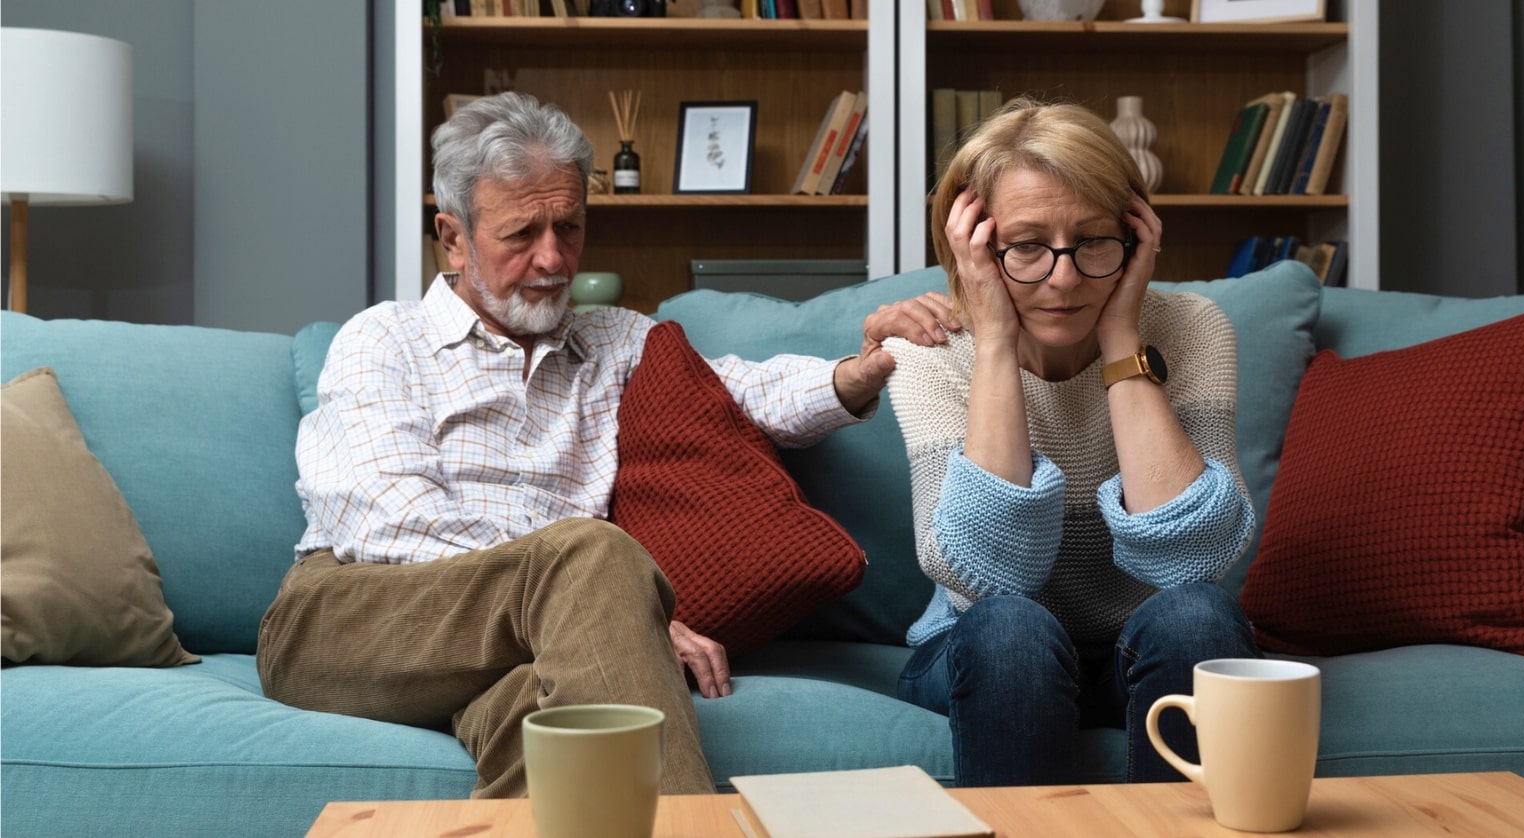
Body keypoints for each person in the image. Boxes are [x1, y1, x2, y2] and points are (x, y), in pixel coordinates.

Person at [256, 91, 895, 799]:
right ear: (455, 237)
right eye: (522, 234)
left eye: (570, 226)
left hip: (529, 636)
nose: (553, 257)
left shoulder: (612, 341)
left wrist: (855, 375)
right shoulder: (385, 339)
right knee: (593, 552)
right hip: (352, 614)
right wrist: (617, 607)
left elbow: (743, 393)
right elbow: (390, 519)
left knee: (556, 723)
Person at [868, 97, 1261, 787]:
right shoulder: (930, 352)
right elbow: (986, 574)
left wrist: (1120, 340)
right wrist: (993, 343)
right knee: (1012, 627)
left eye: (1093, 240)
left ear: (1136, 237)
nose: (1064, 277)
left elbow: (1196, 561)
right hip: (982, 652)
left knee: (1199, 616)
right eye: (1025, 246)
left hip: (1137, 652)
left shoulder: (1195, 329)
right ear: (974, 245)